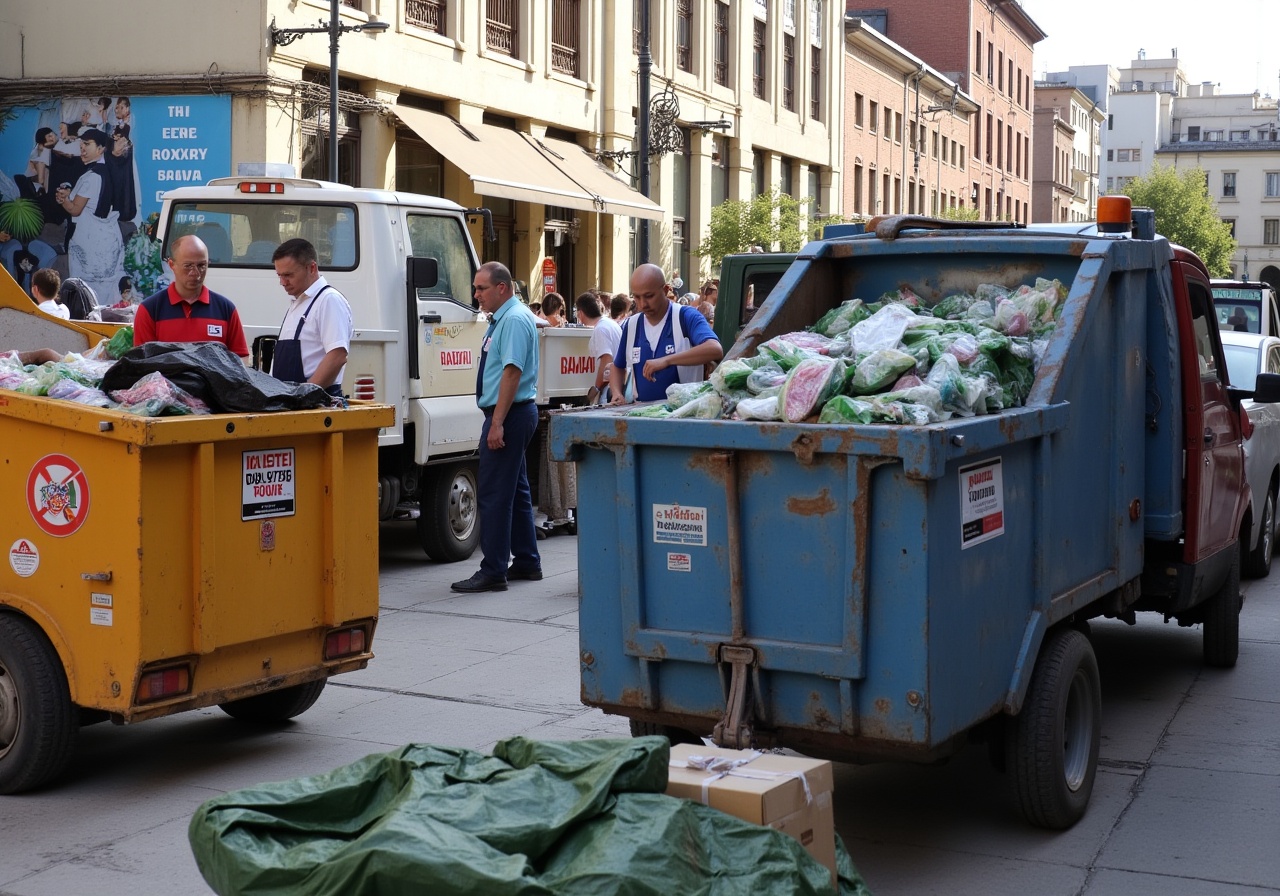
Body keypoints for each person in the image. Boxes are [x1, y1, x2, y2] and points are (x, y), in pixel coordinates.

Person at [451, 261, 542, 594]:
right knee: (515, 492)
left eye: (481, 288)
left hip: (510, 414)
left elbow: (512, 373)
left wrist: (497, 423)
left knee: (493, 495)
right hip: (512, 413)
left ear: (501, 288)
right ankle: (527, 561)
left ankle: (493, 570)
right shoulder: (505, 318)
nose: (476, 295)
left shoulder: (513, 319)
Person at [610, 263, 723, 404]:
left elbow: (715, 349)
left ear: (665, 290)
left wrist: (666, 360)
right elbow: (618, 366)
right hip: (642, 412)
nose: (643, 304)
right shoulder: (632, 325)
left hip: (684, 411)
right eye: (637, 297)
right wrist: (617, 393)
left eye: (649, 296)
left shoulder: (686, 316)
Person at [133, 235, 249, 357]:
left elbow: (240, 358)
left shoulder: (226, 309)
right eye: (188, 266)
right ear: (172, 265)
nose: (195, 273)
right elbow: (143, 362)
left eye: (201, 265)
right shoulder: (150, 310)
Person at [270, 237, 353, 396]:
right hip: (289, 401)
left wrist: (304, 396)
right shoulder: (298, 303)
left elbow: (338, 355)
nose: (283, 282)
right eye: (279, 275)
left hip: (316, 403)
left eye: (288, 275)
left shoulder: (329, 300)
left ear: (312, 268)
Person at [53, 128, 124, 305]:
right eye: (81, 145)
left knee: (87, 296)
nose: (82, 149)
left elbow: (75, 209)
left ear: (100, 149)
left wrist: (63, 199)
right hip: (109, 240)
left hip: (91, 244)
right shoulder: (108, 171)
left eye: (87, 144)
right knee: (107, 292)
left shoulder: (91, 177)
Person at [575, 291, 621, 404]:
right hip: (617, 385)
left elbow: (606, 360)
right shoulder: (610, 324)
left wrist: (596, 388)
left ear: (580, 313)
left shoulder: (601, 329)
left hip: (609, 390)